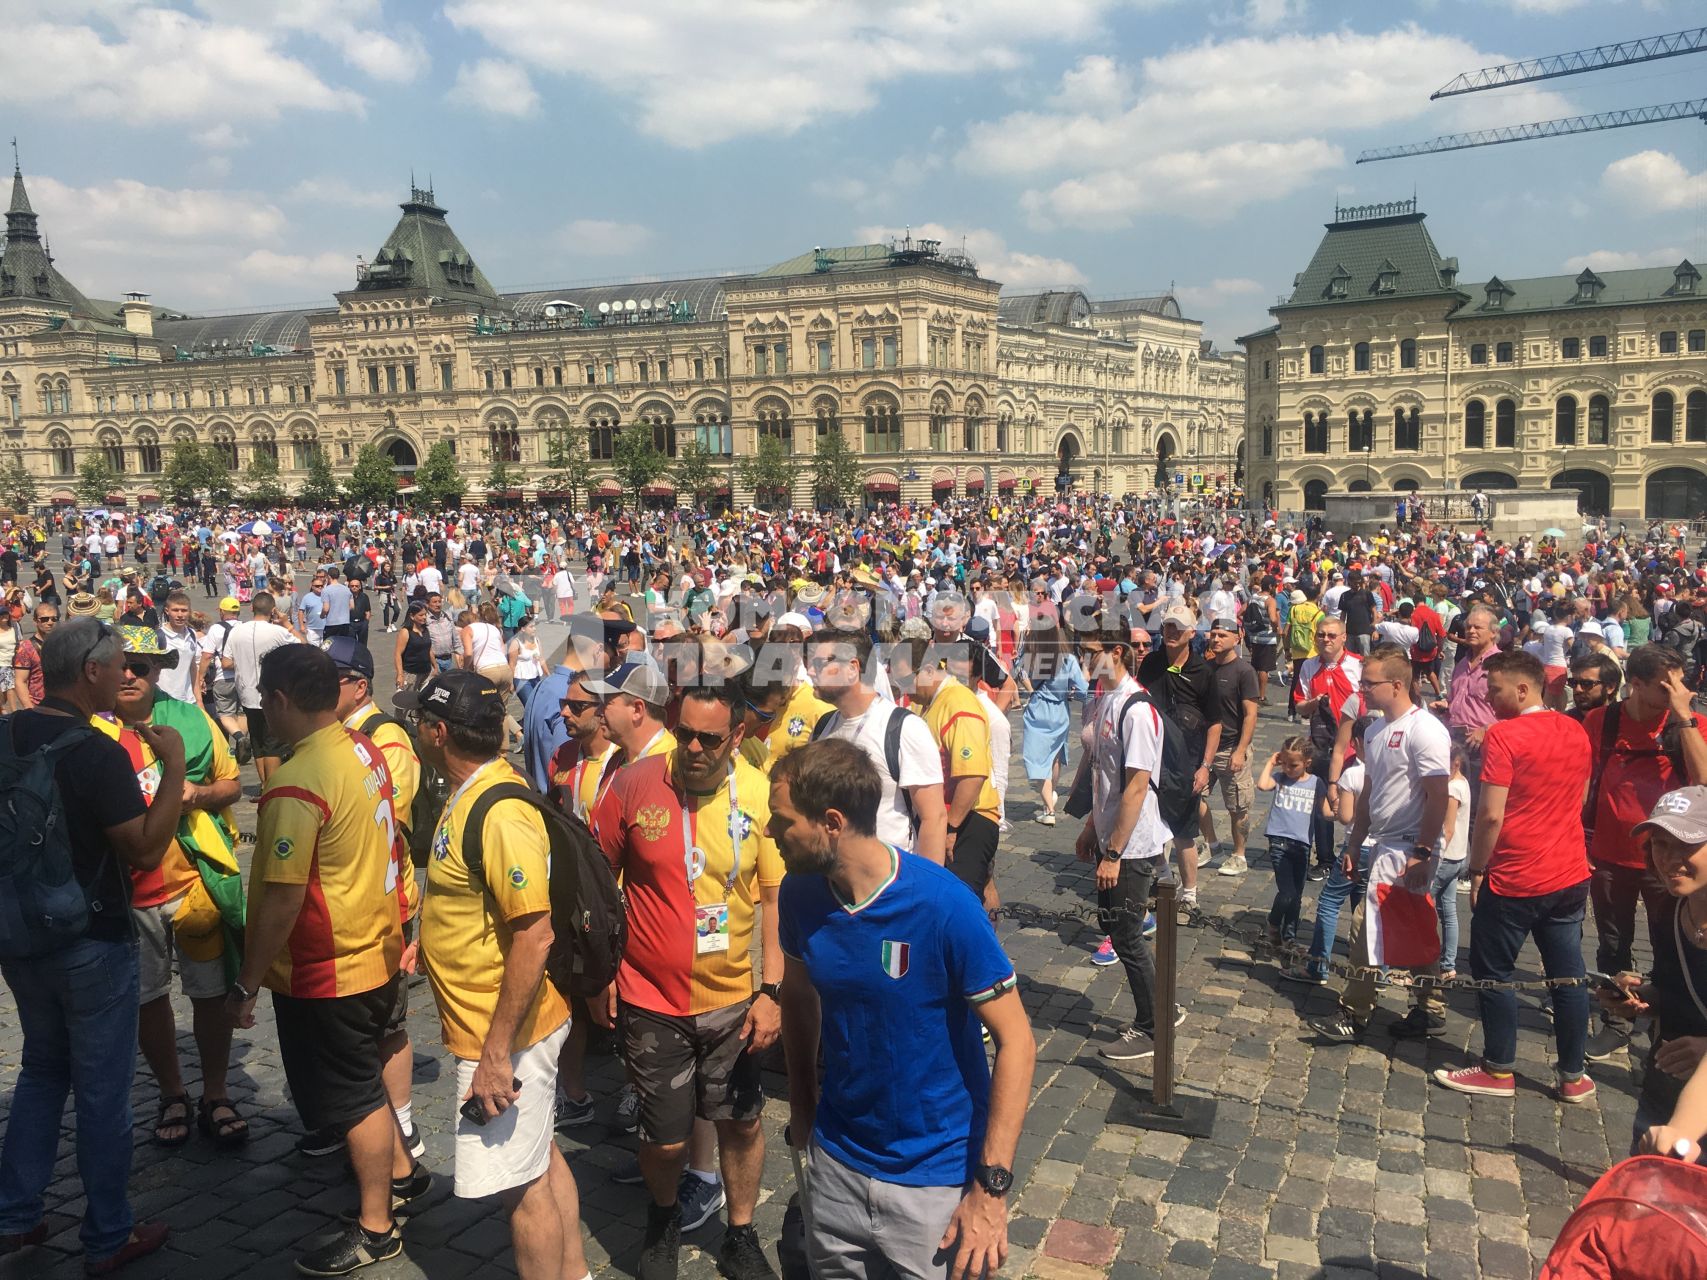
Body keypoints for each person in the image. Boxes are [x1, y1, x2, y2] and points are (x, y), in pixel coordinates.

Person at [772, 739, 1035, 1280]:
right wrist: (803, 1099)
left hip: (935, 1185)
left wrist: (990, 1191)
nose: (769, 833)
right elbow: (798, 995)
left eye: (782, 821)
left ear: (832, 822)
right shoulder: (800, 894)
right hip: (838, 1165)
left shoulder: (943, 906)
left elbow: (1018, 1043)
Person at [225, 645, 425, 1276]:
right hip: (373, 943)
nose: (261, 707)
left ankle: (376, 1226)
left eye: (263, 695)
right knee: (364, 1076)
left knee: (351, 1099)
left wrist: (247, 982)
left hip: (326, 965)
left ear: (281, 699)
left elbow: (283, 897)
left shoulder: (294, 781)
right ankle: (402, 1172)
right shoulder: (362, 748)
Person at [0, 617, 184, 1274]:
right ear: (90, 672)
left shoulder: (6, 733)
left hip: (20, 935)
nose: (122, 675)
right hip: (92, 937)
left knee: (43, 1070)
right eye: (115, 665)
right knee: (103, 1090)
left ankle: (16, 1215)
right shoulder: (95, 751)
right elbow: (143, 847)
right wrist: (172, 769)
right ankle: (108, 1233)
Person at [590, 683, 783, 1280]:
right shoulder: (632, 784)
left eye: (710, 738)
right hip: (650, 997)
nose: (694, 748)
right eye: (686, 734)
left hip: (733, 999)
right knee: (665, 1138)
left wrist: (771, 991)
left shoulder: (759, 795)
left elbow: (775, 902)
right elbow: (598, 886)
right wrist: (600, 978)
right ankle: (664, 1215)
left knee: (742, 1121)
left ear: (738, 736)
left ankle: (742, 1233)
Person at [412, 672, 588, 1280]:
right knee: (538, 1159)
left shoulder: (497, 809)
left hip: (507, 1033)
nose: (412, 728)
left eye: (418, 720)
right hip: (505, 1025)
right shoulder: (473, 790)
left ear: (438, 733)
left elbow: (533, 934)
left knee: (522, 1189)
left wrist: (494, 1053)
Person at [104, 626, 248, 1149]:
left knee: (210, 994)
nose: (127, 675)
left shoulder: (191, 720)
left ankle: (215, 1090)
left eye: (139, 667)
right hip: (125, 889)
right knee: (147, 998)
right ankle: (171, 1092)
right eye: (118, 663)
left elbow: (233, 784)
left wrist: (200, 792)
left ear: (159, 670)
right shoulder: (90, 726)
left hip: (193, 881)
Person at [1431, 650, 1595, 1100]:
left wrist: (1478, 869)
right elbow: (1580, 797)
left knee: (1493, 971)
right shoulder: (1576, 731)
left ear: (1523, 689)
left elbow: (1489, 816)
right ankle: (1573, 1075)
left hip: (1517, 874)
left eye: (1496, 689)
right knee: (1568, 976)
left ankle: (1499, 1068)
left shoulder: (1505, 736)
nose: (1488, 696)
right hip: (1569, 871)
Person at [1309, 645, 1451, 1044]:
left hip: (1410, 848)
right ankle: (1429, 1007)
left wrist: (1423, 851)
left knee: (1366, 928)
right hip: (1383, 844)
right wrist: (1353, 844)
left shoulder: (1425, 730)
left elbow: (1438, 795)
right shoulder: (1373, 730)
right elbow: (1370, 793)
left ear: (1397, 684)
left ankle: (1355, 1012)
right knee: (1412, 927)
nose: (1361, 689)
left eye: (1369, 683)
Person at [1580, 645, 1707, 1061]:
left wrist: (1684, 716)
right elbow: (1584, 780)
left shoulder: (1688, 724)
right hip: (1611, 854)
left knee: (1670, 946)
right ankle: (1617, 1021)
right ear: (1635, 684)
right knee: (1613, 943)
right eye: (1666, 685)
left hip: (1670, 860)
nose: (1679, 690)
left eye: (1680, 681)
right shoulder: (1603, 720)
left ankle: (1665, 1023)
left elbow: (1705, 785)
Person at [1072, 623, 1181, 1061]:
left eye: (1092, 651)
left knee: (1127, 937)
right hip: (1108, 832)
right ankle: (1161, 1008)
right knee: (1117, 931)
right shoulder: (1102, 700)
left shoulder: (1136, 709)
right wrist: (1089, 829)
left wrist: (1114, 852)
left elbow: (1137, 786)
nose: (1085, 659)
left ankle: (1153, 1025)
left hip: (1132, 843)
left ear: (1116, 652)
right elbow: (1099, 770)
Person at [1598, 787, 1707, 1152]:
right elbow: (1672, 985)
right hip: (1664, 1085)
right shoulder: (1671, 909)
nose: (1670, 859)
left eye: (1687, 845)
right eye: (1660, 844)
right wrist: (1641, 997)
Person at [805, 628, 947, 863]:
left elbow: (934, 817)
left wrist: (927, 892)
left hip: (889, 880)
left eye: (819, 664)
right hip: (830, 877)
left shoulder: (904, 728)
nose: (810, 671)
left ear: (852, 668)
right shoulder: (823, 727)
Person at [911, 640, 1002, 902]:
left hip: (968, 818)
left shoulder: (959, 702)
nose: (903, 688)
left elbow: (972, 775)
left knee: (959, 903)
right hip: (944, 817)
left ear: (928, 670)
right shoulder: (929, 702)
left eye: (906, 679)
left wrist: (951, 829)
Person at [1138, 603, 1216, 897]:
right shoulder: (1151, 664)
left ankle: (1190, 894)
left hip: (1187, 761)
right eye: (1168, 626)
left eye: (1178, 628)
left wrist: (1205, 766)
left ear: (1191, 633)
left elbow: (1215, 723)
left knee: (1184, 831)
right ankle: (1163, 875)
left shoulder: (1203, 672)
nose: (1172, 632)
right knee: (1148, 822)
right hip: (1151, 758)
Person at [1015, 618, 1088, 826]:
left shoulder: (1031, 657)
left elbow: (1017, 671)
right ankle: (1051, 794)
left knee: (1036, 759)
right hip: (1060, 712)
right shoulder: (1069, 659)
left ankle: (1049, 809)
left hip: (1038, 710)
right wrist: (1070, 692)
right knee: (1054, 757)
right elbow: (1083, 690)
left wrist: (1029, 689)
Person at [1202, 614, 1259, 878]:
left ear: (1236, 639)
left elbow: (1250, 714)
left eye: (1222, 635)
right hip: (1205, 748)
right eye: (1213, 634)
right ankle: (1213, 845)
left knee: (1237, 806)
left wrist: (1240, 750)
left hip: (1230, 747)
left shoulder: (1244, 672)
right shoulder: (1206, 667)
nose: (1216, 639)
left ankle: (1239, 854)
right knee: (1194, 799)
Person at [1258, 736, 1326, 947]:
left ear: (1307, 762)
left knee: (1297, 896)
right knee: (1286, 892)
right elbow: (1262, 784)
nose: (1288, 768)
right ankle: (1273, 922)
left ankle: (1290, 937)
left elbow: (1325, 812)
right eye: (1284, 763)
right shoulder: (1279, 778)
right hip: (1279, 842)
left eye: (1293, 765)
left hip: (1303, 844)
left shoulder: (1316, 783)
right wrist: (1271, 763)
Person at [226, 591, 299, 786]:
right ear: (273, 610)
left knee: (258, 742)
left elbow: (226, 661)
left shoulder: (236, 631)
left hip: (246, 693)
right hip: (271, 694)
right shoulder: (278, 632)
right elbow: (305, 646)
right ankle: (272, 787)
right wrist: (287, 624)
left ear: (251, 607)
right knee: (273, 744)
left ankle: (264, 785)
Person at [9, 601, 56, 709]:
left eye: (54, 619)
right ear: (35, 621)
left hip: (62, 707)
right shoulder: (26, 648)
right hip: (39, 706)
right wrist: (29, 708)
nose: (50, 622)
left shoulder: (61, 643)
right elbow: (20, 681)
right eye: (44, 619)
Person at [1566, 652, 1621, 722]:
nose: (1578, 689)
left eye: (1586, 683)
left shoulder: (1621, 724)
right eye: (1573, 682)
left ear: (1610, 687)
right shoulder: (1564, 723)